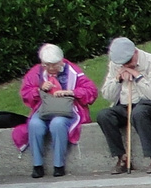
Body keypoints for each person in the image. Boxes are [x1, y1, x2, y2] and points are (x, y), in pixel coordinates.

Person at [14, 43, 97, 178]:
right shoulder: (36, 72)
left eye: (54, 64)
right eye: (47, 65)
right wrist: (39, 89)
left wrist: (70, 92)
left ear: (61, 60)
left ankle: (59, 165)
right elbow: (25, 93)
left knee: (57, 124)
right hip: (44, 109)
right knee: (35, 124)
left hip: (68, 109)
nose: (51, 68)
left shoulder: (74, 71)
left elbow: (91, 91)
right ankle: (37, 165)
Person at [98, 36, 151, 174]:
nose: (126, 65)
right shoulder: (115, 64)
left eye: (129, 62)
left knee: (138, 113)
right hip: (124, 105)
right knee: (104, 115)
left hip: (147, 103)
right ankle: (122, 158)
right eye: (123, 64)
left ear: (135, 52)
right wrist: (118, 79)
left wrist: (137, 76)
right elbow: (107, 95)